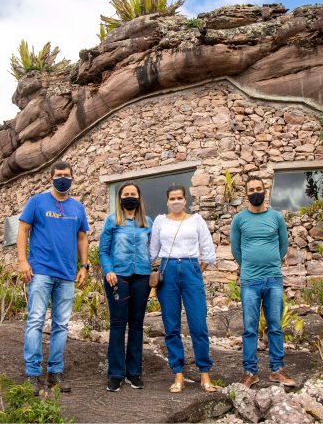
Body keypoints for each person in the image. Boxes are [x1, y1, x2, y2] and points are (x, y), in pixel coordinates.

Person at [17, 161, 90, 395]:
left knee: (61, 324)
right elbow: (22, 230)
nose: (63, 179)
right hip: (40, 270)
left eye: (67, 175)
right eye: (58, 175)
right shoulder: (36, 201)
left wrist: (84, 266)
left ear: (72, 178)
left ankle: (55, 372)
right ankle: (32, 374)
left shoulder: (78, 207)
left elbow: (82, 238)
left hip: (67, 274)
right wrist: (22, 262)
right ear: (51, 178)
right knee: (36, 320)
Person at [149, 183, 218, 393]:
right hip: (167, 270)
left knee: (198, 324)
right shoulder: (160, 221)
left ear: (186, 199)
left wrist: (196, 272)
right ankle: (177, 374)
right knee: (171, 326)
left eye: (179, 198)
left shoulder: (197, 220)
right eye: (172, 198)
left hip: (191, 268)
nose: (176, 201)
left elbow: (208, 252)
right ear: (167, 201)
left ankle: (205, 374)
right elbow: (152, 252)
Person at [230, 175, 296, 388]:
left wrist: (270, 263)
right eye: (251, 189)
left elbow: (283, 247)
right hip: (250, 280)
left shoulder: (276, 217)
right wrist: (250, 265)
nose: (255, 192)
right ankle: (250, 372)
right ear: (246, 194)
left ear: (265, 191)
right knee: (250, 327)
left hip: (274, 279)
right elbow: (236, 249)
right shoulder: (239, 219)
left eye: (259, 188)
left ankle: (277, 369)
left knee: (275, 326)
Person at [98, 181, 154, 392]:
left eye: (133, 193)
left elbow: (153, 248)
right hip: (117, 277)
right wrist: (108, 270)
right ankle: (115, 374)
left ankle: (134, 373)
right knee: (118, 323)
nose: (130, 196)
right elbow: (103, 251)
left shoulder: (147, 222)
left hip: (141, 277)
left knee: (137, 324)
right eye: (126, 193)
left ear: (139, 198)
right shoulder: (111, 221)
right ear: (120, 198)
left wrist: (153, 268)